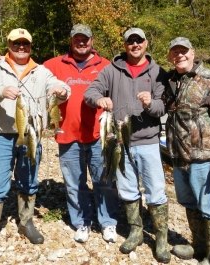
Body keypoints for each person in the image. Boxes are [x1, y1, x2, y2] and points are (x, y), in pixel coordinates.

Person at [0, 28, 70, 262]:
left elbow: (61, 87)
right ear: (9, 44)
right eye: (16, 43)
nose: (21, 47)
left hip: (32, 135)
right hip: (1, 136)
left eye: (25, 44)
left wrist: (61, 91)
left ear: (30, 46)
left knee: (28, 180)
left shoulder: (41, 72)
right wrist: (0, 91)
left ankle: (26, 222)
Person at [84, 28, 170, 263]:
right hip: (120, 142)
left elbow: (163, 107)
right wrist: (98, 99)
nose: (135, 45)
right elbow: (90, 91)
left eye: (138, 40)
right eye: (130, 41)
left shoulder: (158, 72)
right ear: (125, 45)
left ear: (146, 43)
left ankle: (161, 238)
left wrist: (150, 103)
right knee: (128, 189)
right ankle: (135, 231)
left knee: (156, 191)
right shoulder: (111, 70)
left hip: (149, 142)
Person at [164, 37, 210, 265]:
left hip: (203, 158)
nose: (179, 56)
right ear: (170, 56)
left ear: (192, 53)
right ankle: (198, 247)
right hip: (177, 157)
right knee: (188, 203)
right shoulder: (170, 80)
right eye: (175, 52)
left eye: (183, 51)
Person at [43, 24, 118, 243]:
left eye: (85, 38)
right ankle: (82, 222)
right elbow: (29, 74)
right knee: (74, 182)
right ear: (71, 41)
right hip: (67, 135)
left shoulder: (105, 65)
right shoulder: (54, 64)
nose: (81, 42)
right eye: (77, 38)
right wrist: (4, 60)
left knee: (104, 180)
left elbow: (123, 84)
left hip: (98, 135)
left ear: (92, 40)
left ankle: (108, 222)